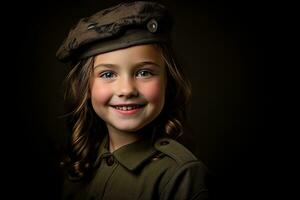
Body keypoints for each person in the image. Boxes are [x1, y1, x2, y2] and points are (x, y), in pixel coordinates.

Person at [56, 1, 209, 199]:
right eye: (108, 74)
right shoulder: (81, 163)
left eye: (144, 72)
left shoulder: (181, 175)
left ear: (168, 81)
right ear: (86, 86)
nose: (127, 90)